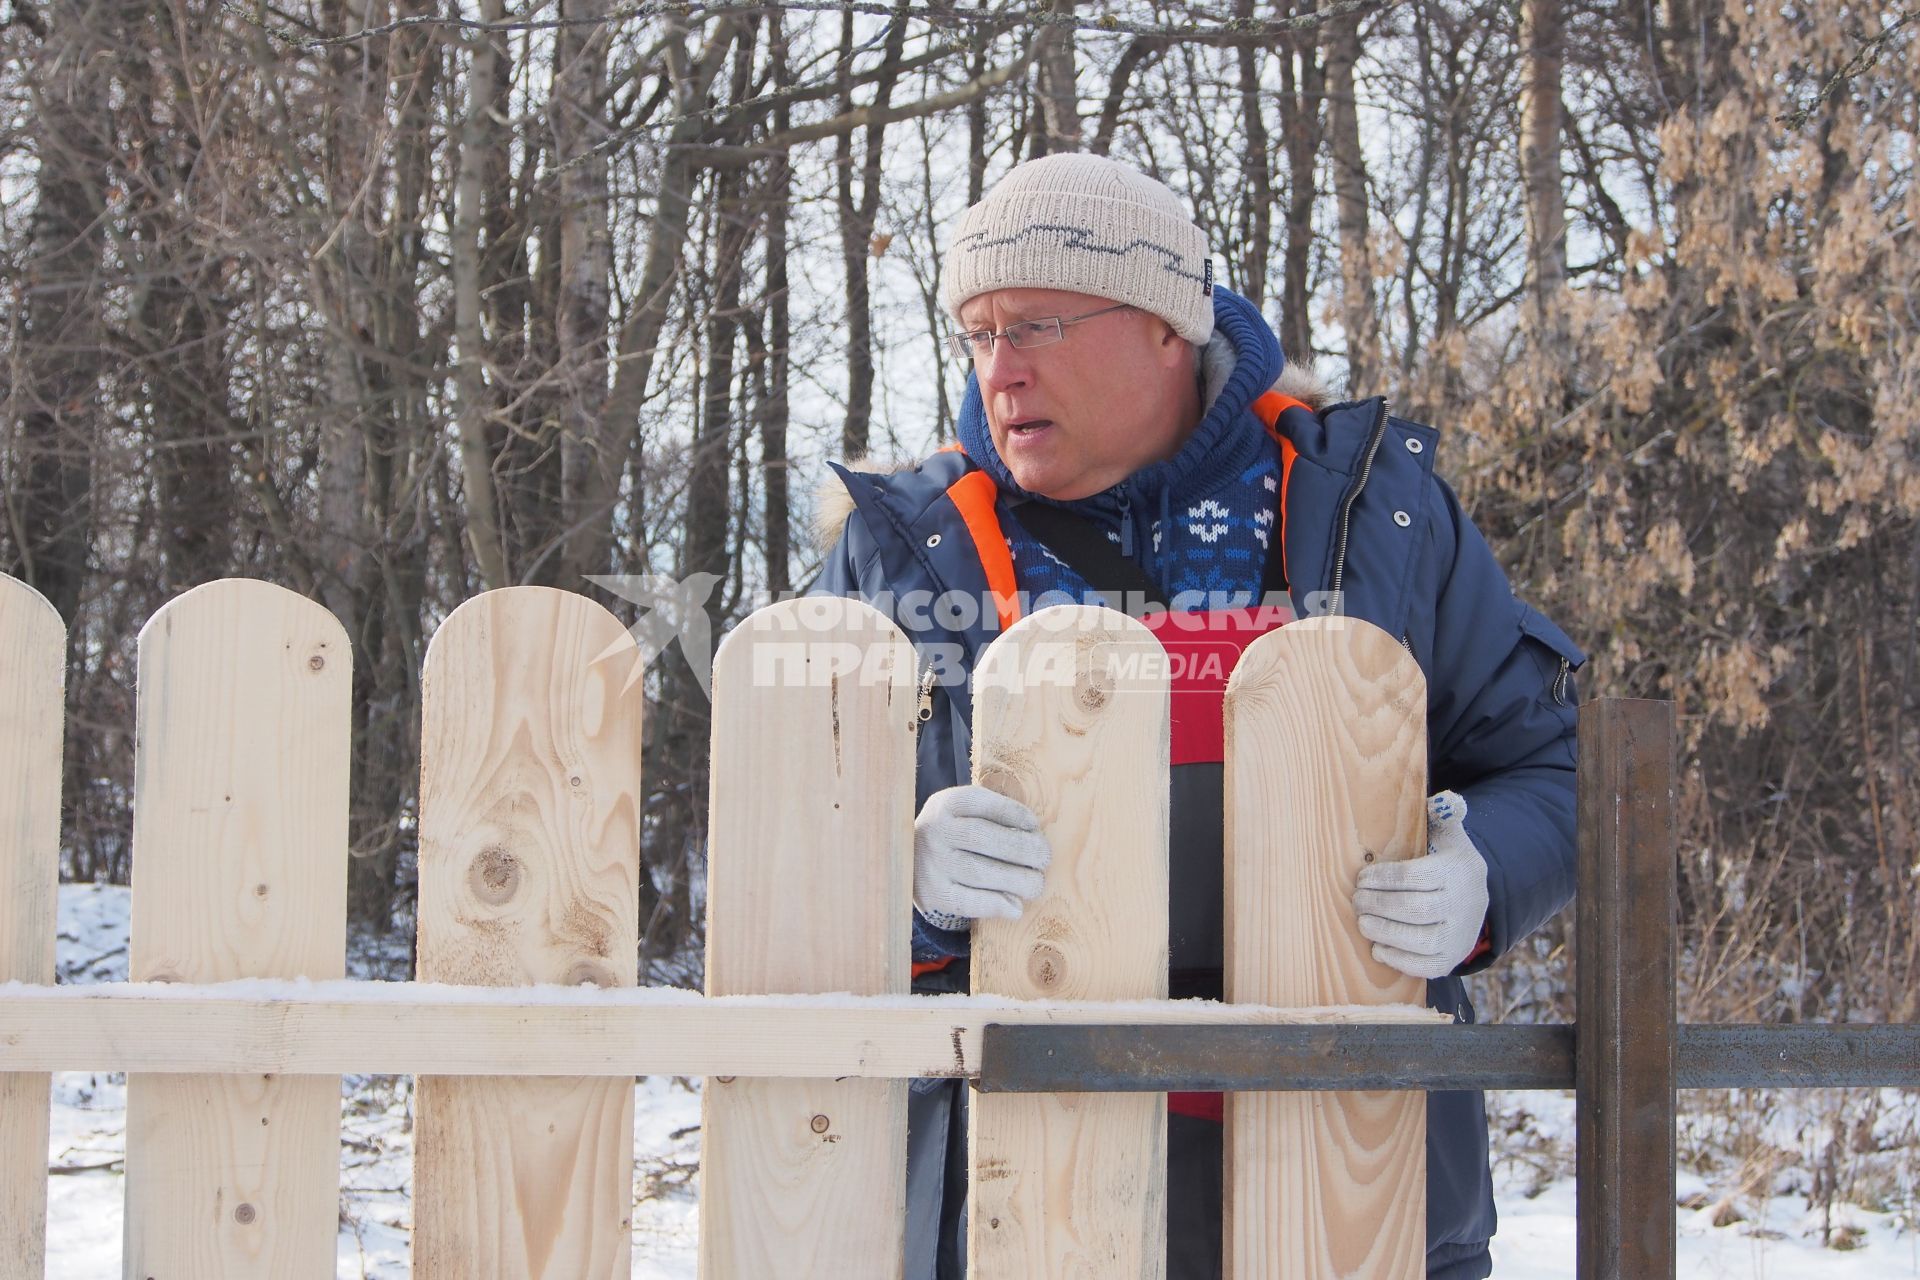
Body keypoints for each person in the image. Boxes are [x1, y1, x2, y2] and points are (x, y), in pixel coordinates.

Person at [812, 153, 1585, 1280]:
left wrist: (1482, 877)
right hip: (1011, 1200)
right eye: (978, 333)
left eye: (1039, 325)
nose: (1000, 371)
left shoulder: (1374, 511)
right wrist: (905, 884)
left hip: (1346, 1185)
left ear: (1169, 326)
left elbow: (1550, 768)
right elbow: (801, 841)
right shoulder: (899, 546)